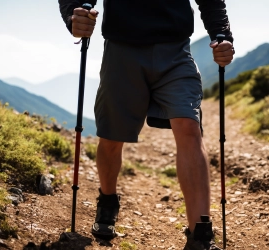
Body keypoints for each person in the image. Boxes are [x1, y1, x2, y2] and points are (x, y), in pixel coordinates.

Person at [58, 0, 234, 249]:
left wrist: (222, 35)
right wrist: (73, 13)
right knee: (111, 137)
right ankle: (107, 202)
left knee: (189, 127)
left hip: (176, 50)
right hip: (121, 48)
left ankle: (201, 233)